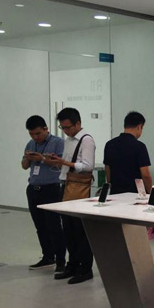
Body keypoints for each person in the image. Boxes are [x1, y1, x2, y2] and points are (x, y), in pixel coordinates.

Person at [48, 107, 96, 284]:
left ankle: (85, 268)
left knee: (80, 231)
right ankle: (73, 265)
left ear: (78, 123)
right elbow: (67, 165)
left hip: (78, 190)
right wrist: (57, 162)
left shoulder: (86, 140)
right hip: (66, 186)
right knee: (68, 231)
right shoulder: (68, 140)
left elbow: (88, 166)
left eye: (68, 127)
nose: (65, 130)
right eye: (62, 127)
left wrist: (65, 162)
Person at [21, 115, 66, 271]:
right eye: (31, 134)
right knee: (40, 226)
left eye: (38, 133)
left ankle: (61, 260)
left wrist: (42, 159)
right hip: (33, 189)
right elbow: (24, 166)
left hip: (51, 189)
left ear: (46, 129)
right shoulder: (30, 144)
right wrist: (28, 158)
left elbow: (61, 165)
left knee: (54, 226)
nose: (35, 137)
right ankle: (47, 256)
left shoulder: (58, 143)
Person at [103, 111, 153, 194]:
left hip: (115, 193)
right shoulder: (140, 146)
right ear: (139, 127)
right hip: (135, 194)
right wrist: (150, 192)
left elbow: (107, 169)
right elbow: (145, 175)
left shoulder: (109, 144)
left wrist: (111, 185)